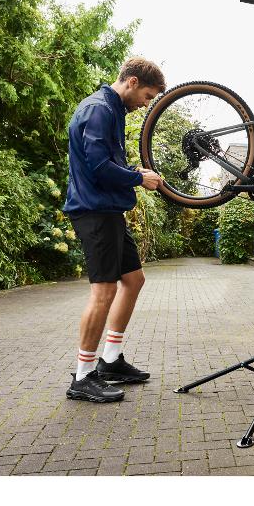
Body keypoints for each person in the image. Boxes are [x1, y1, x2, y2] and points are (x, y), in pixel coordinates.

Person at [63, 57, 166, 403]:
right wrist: (139, 178)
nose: (145, 104)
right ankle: (83, 376)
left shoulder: (113, 110)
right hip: (94, 213)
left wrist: (131, 170)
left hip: (109, 211)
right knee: (103, 292)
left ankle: (110, 361)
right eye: (148, 96)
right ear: (133, 82)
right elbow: (97, 166)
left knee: (134, 280)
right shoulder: (98, 110)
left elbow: (108, 162)